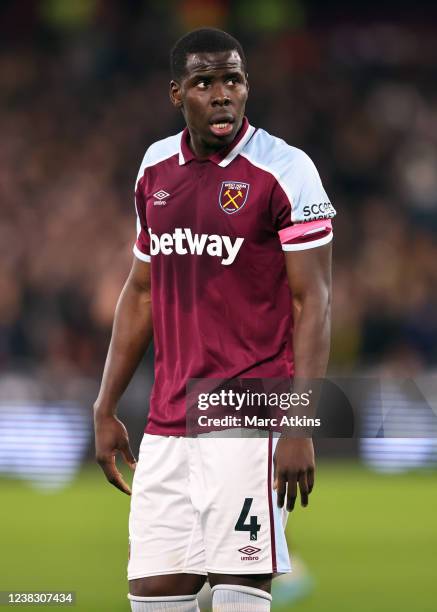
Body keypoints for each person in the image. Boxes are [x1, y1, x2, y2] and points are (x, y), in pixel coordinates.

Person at [94, 27, 335, 612]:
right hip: (167, 423)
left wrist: (300, 423)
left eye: (233, 79)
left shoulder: (285, 169)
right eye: (205, 82)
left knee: (237, 597)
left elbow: (314, 301)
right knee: (152, 596)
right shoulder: (154, 170)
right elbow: (142, 291)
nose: (222, 93)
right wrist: (105, 406)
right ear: (177, 94)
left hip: (248, 419)